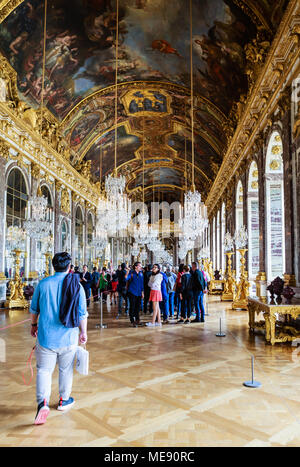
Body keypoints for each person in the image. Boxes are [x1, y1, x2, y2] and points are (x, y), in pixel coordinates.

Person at [30, 252, 88, 425]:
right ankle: (64, 400)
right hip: (69, 337)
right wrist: (83, 332)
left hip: (46, 337)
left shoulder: (43, 284)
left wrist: (33, 326)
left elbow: (34, 309)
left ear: (53, 266)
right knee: (65, 370)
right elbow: (82, 313)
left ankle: (43, 403)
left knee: (43, 370)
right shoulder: (77, 285)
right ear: (69, 267)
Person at [125, 262, 144, 327]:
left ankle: (137, 320)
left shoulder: (141, 274)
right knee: (132, 306)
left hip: (139, 292)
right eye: (139, 266)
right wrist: (127, 272)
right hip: (132, 292)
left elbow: (142, 284)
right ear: (136, 267)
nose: (141, 267)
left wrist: (142, 292)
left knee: (138, 307)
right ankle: (132, 320)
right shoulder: (131, 273)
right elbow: (126, 278)